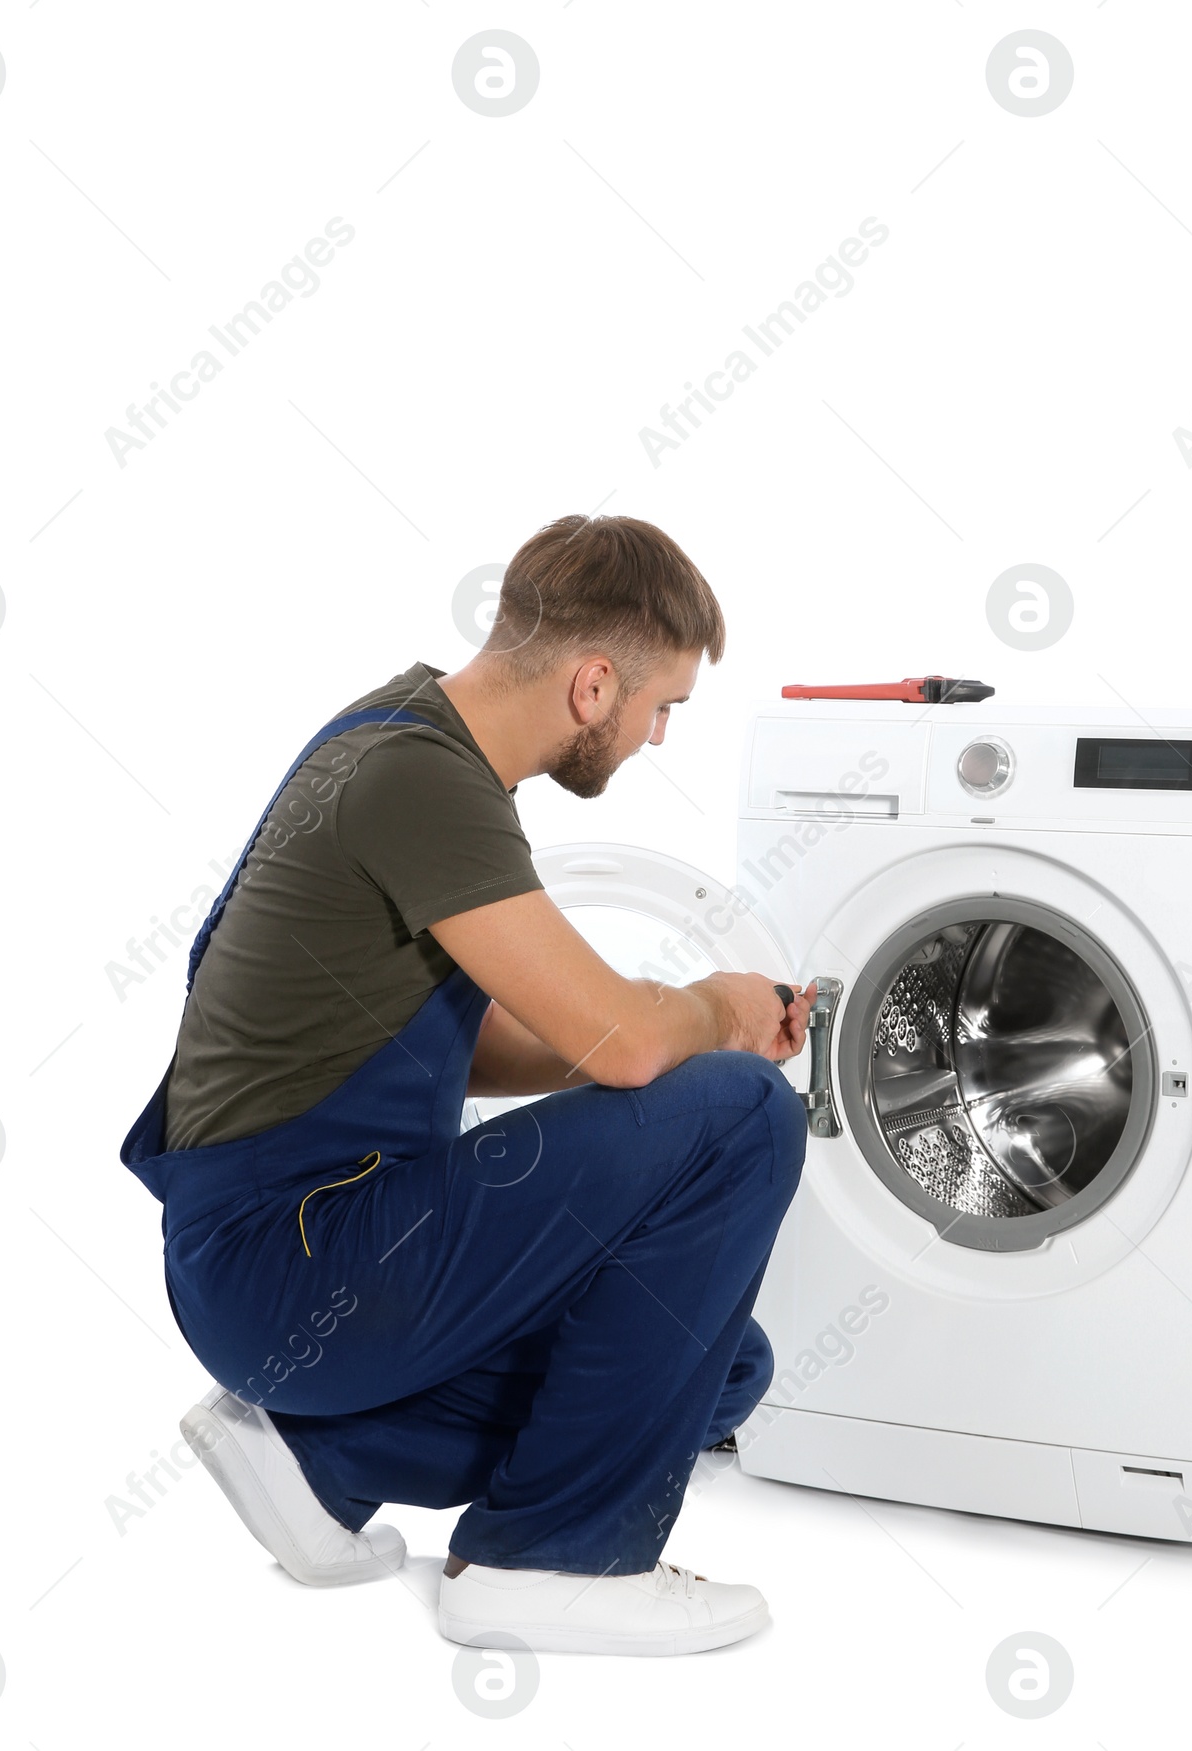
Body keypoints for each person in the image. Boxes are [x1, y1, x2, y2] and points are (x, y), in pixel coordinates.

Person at [120, 514, 813, 1656]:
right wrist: (709, 1014)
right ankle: (555, 1557)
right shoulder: (421, 781)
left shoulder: (392, 733)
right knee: (745, 1116)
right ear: (595, 684)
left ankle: (322, 1457)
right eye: (662, 707)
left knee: (718, 1370)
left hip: (286, 1258)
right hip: (295, 1256)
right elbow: (628, 1049)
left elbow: (475, 1043)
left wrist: (684, 1031)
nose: (656, 736)